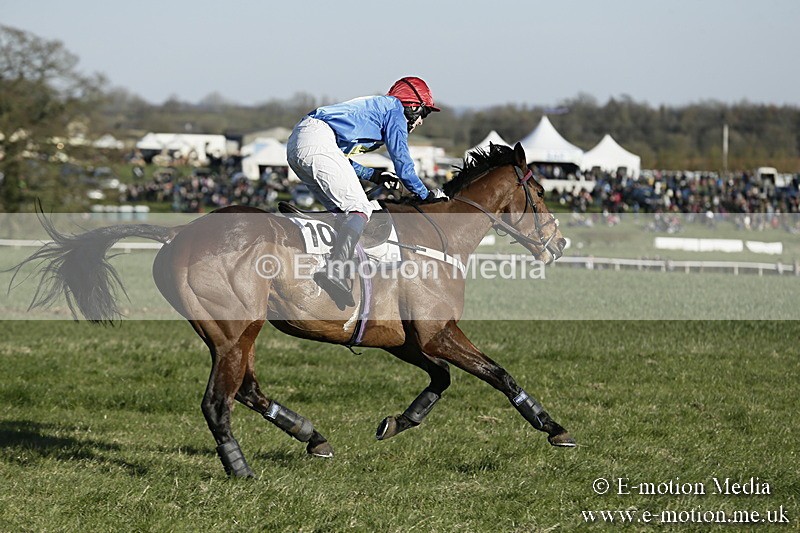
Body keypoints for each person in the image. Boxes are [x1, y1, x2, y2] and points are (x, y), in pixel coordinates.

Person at [287, 76, 448, 307]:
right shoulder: (396, 113)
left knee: (342, 212)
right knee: (360, 207)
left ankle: (326, 264)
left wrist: (374, 175)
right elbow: (403, 164)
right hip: (314, 139)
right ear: (413, 107)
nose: (422, 121)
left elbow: (339, 159)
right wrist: (426, 196)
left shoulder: (380, 110)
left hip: (300, 142)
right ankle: (336, 270)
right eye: (425, 113)